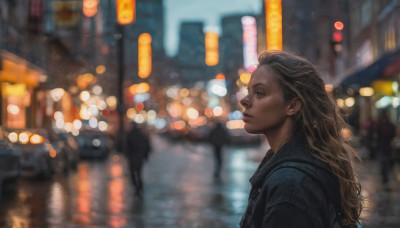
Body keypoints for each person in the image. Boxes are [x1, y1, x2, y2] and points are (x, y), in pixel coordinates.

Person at [239, 51, 363, 227]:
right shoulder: (300, 165)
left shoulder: (289, 185)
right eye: (248, 91)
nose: (245, 100)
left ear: (293, 105)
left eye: (259, 93)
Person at [126, 123, 151, 198]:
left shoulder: (130, 135)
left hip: (133, 158)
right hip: (139, 158)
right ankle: (139, 188)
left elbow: (127, 147)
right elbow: (147, 146)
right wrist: (145, 156)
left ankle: (137, 188)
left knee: (133, 174)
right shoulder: (141, 136)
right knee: (139, 173)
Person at [375, 109, 396, 185]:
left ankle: (385, 174)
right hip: (385, 145)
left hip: (384, 145)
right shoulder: (388, 125)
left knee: (385, 161)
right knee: (385, 161)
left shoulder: (381, 125)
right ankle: (385, 175)